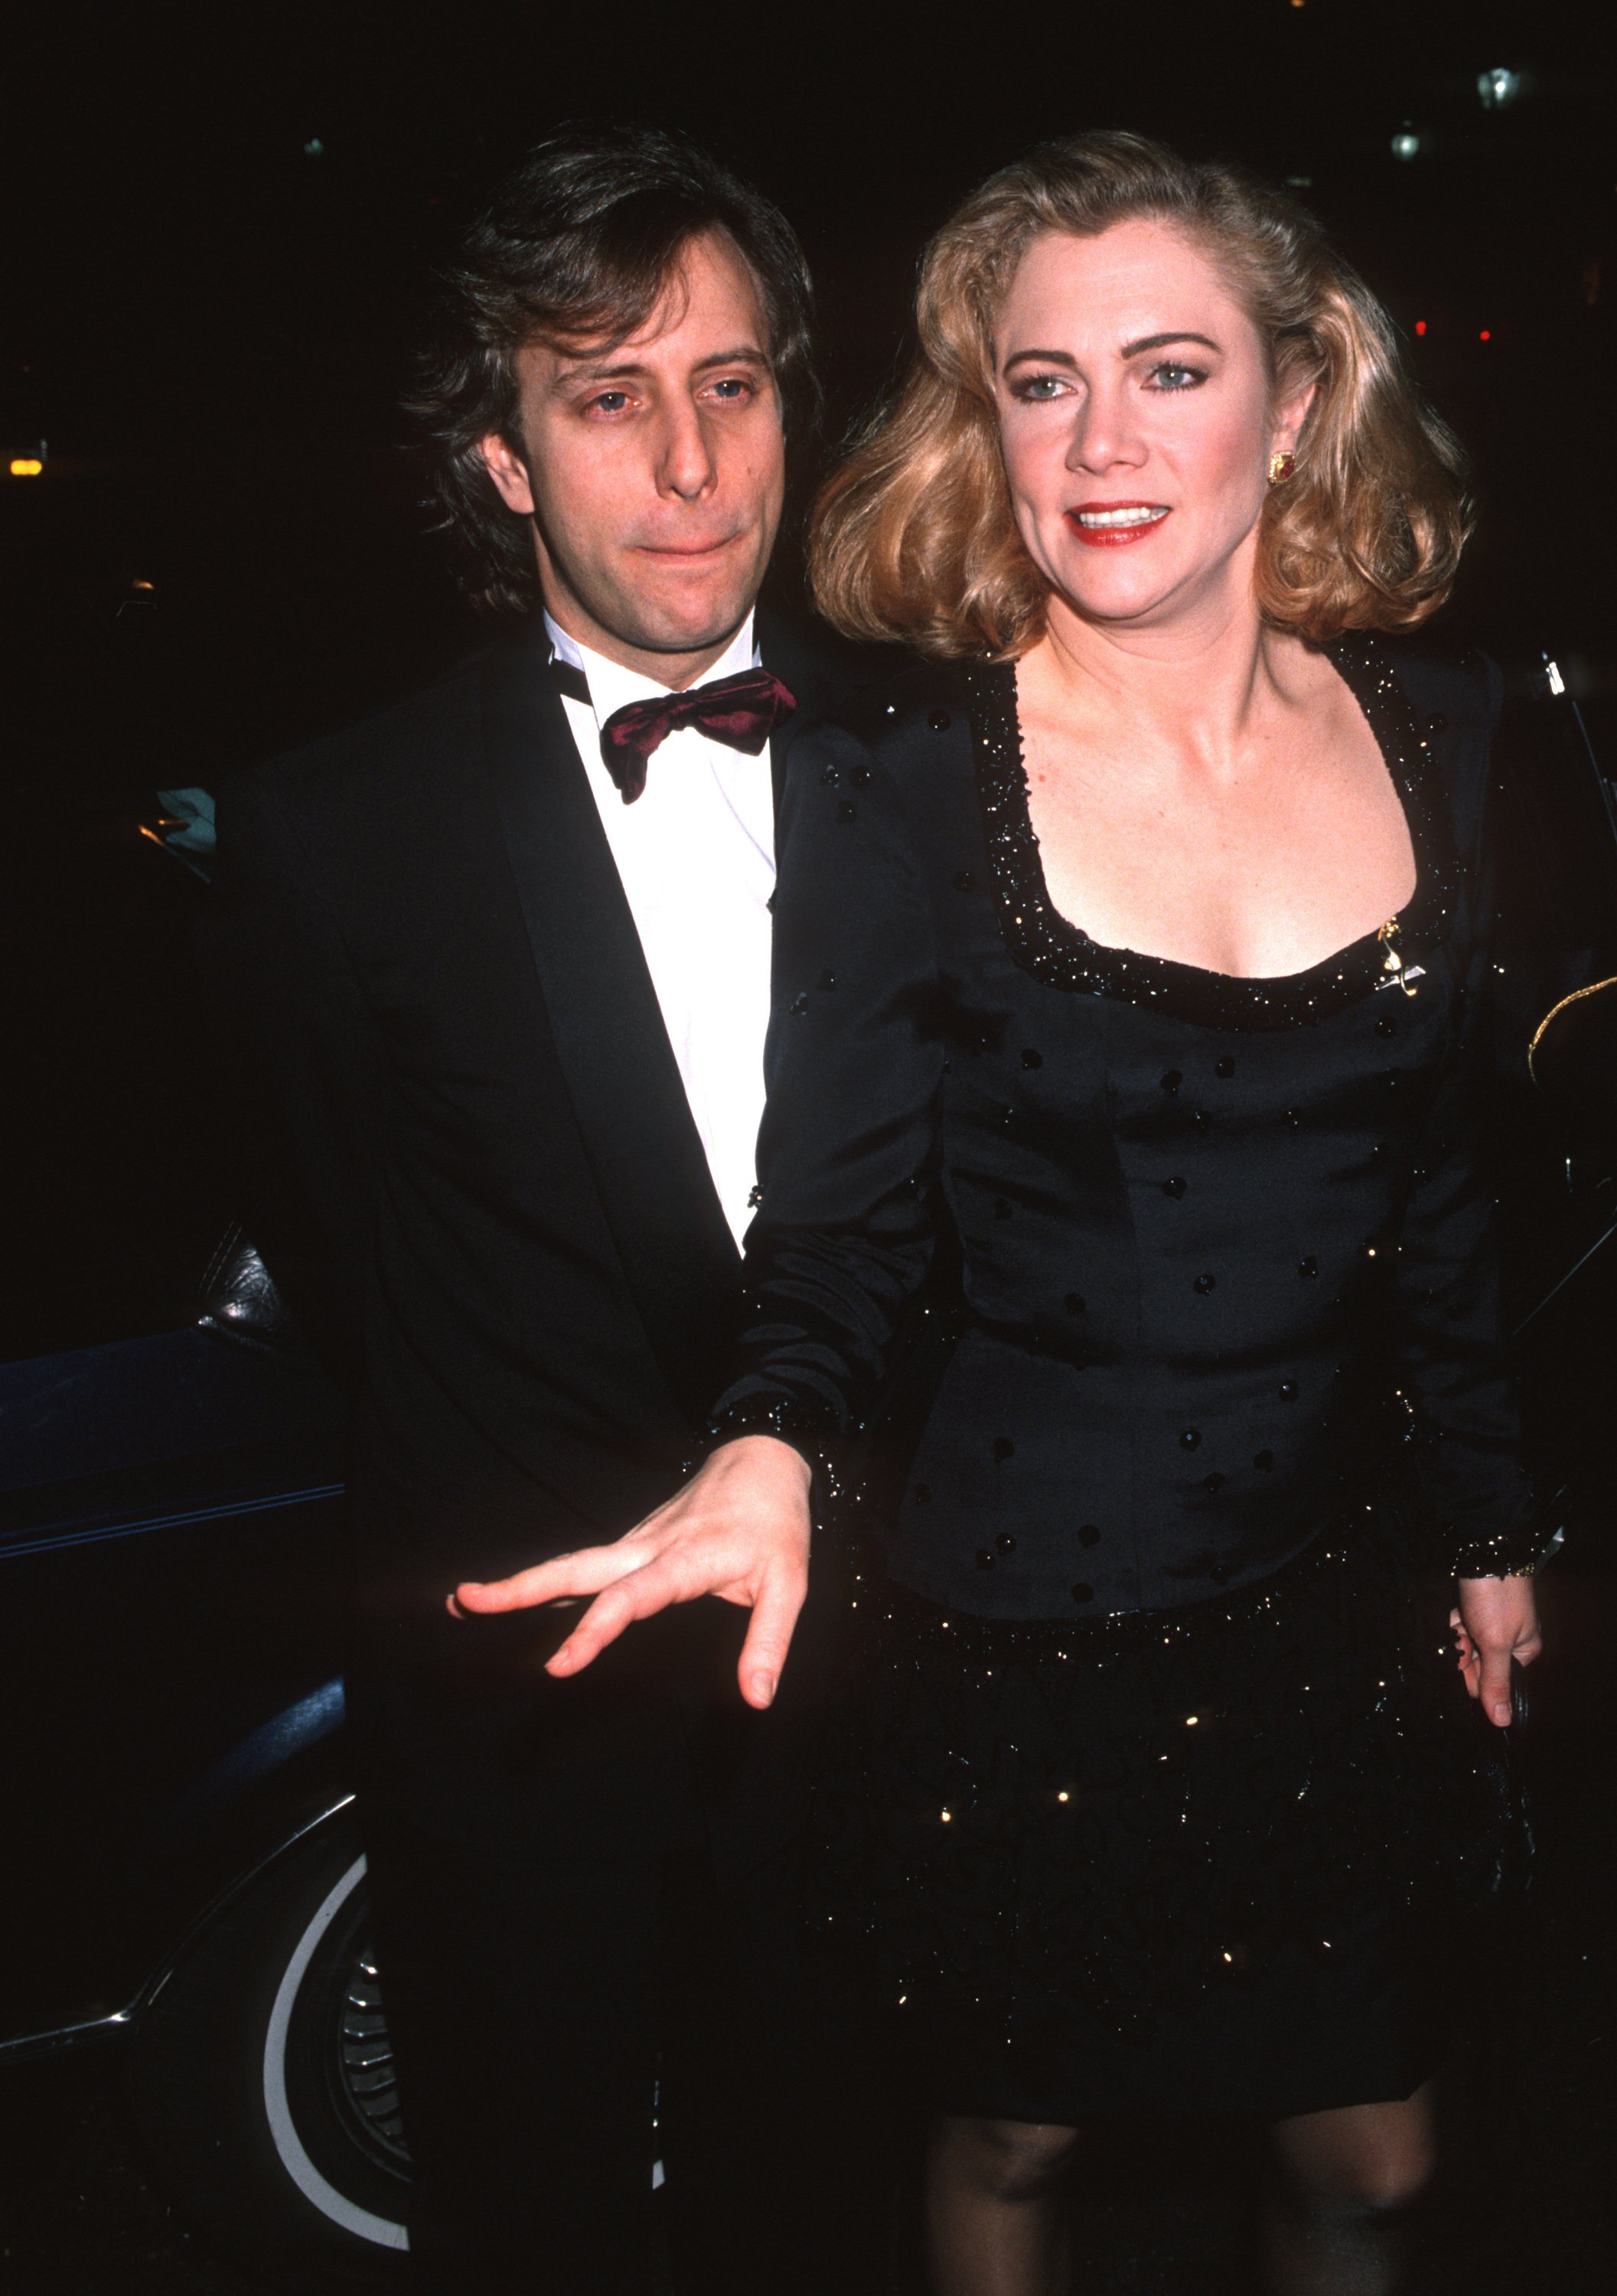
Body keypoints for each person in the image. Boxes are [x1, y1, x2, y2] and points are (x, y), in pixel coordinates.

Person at [461, 133, 1546, 2294]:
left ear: (1298, 397)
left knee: (1381, 2163)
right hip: (1018, 1623)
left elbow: (1441, 1203)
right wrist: (768, 1442)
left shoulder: (1443, 741)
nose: (1101, 441)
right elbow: (841, 1224)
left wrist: (1493, 1523)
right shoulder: (898, 781)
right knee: (1020, 2137)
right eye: (1038, 383)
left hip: (1333, 1601)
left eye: (1166, 368)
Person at [204, 123, 892, 2296]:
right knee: (532, 2220)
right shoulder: (332, 838)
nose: (687, 464)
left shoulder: (945, 764)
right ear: (502, 458)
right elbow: (344, 1252)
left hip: (875, 1672)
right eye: (605, 398)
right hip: (512, 1695)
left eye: (730, 382)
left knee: (848, 2209)